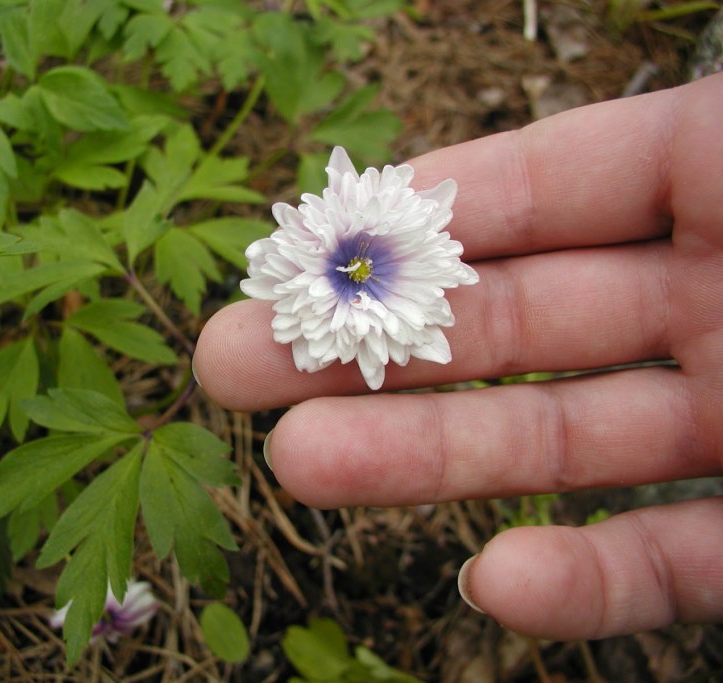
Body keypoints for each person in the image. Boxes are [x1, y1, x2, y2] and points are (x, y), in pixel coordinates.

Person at [192, 72, 723, 641]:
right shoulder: (330, 264)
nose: (361, 268)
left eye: (364, 267)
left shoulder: (399, 284)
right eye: (359, 268)